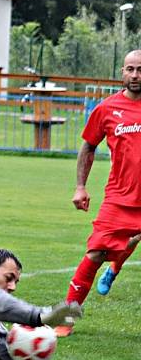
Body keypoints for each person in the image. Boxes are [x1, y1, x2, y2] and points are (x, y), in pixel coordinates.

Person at [57, 49, 141, 336]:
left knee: (130, 240)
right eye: (130, 69)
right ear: (122, 72)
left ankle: (115, 269)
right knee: (95, 253)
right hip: (120, 198)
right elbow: (89, 146)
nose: (135, 75)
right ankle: (66, 318)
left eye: (140, 69)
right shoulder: (107, 109)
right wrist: (80, 186)